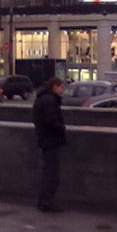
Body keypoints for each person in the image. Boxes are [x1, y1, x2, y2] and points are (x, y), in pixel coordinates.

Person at [32, 77, 66, 212]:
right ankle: (47, 202)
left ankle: (44, 201)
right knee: (51, 174)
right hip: (51, 140)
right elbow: (51, 121)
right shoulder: (50, 101)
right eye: (61, 87)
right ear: (55, 87)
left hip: (45, 140)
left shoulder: (42, 99)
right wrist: (62, 128)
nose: (62, 90)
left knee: (49, 172)